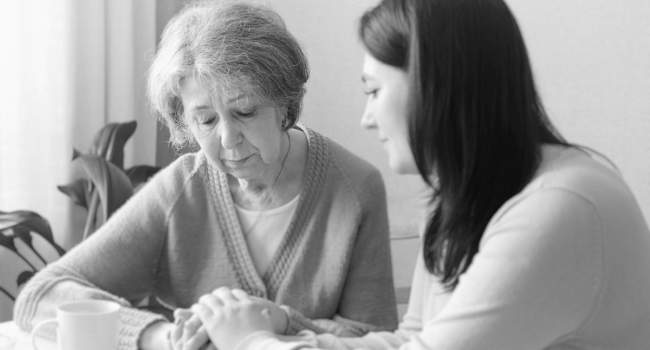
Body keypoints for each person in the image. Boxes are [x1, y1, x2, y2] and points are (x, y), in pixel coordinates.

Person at [176, 0, 650, 349]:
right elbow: (413, 338)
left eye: (374, 90)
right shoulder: (464, 198)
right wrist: (283, 323)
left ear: (433, 87)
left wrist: (250, 342)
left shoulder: (562, 207)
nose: (366, 118)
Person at [13, 2, 398, 349]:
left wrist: (269, 325)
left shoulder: (355, 188)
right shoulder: (182, 188)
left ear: (284, 104)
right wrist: (160, 336)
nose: (228, 139)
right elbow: (41, 294)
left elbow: (375, 338)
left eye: (245, 112)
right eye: (206, 120)